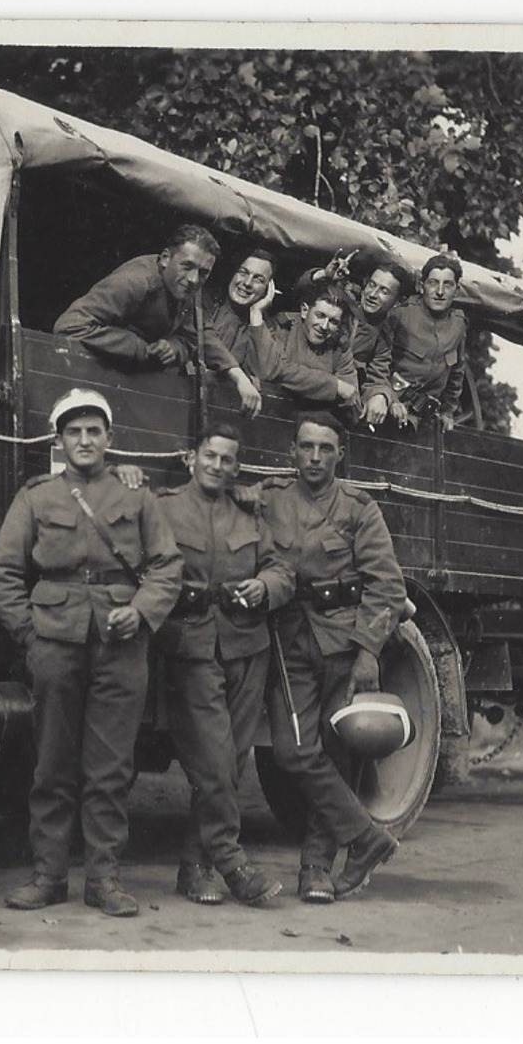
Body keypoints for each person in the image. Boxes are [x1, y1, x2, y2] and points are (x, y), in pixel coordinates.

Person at [0, 389, 183, 918]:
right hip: (55, 643)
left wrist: (140, 611)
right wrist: (30, 635)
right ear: (59, 440)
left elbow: (167, 565)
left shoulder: (137, 498)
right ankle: (49, 875)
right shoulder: (37, 497)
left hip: (121, 646)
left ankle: (104, 878)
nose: (85, 440)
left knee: (111, 766)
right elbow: (3, 573)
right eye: (74, 431)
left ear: (109, 439)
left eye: (94, 430)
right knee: (51, 763)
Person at [259, 410, 409, 903]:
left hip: (344, 642)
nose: (315, 457)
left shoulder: (359, 509)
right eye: (306, 447)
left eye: (325, 448)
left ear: (340, 454)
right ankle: (366, 839)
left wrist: (368, 653)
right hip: (290, 639)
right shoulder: (269, 500)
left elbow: (387, 585)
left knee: (338, 754)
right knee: (294, 752)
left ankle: (315, 871)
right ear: (292, 451)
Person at [153, 422, 293, 906]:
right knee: (214, 761)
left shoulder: (249, 514)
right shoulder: (164, 508)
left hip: (246, 646)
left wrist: (265, 587)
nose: (217, 466)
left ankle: (194, 867)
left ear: (237, 466)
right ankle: (233, 865)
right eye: (210, 456)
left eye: (227, 459)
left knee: (231, 763)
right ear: (192, 458)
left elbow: (280, 569)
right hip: (192, 646)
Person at [53, 225, 220, 372]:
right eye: (187, 266)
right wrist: (139, 348)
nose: (194, 279)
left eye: (204, 272)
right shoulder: (135, 282)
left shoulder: (184, 286)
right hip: (92, 372)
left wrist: (173, 347)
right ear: (165, 258)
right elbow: (69, 326)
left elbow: (190, 338)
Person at [292, 259, 409, 424]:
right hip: (299, 381)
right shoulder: (342, 300)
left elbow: (378, 375)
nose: (372, 294)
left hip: (332, 401)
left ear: (397, 302)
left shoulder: (383, 335)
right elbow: (301, 291)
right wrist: (323, 275)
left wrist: (382, 395)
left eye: (384, 291)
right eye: (371, 285)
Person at [386, 253, 468, 430]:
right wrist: (390, 399)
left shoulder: (458, 325)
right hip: (389, 409)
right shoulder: (401, 315)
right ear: (422, 286)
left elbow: (456, 374)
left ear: (457, 290)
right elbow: (377, 364)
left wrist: (447, 411)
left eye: (447, 285)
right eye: (433, 283)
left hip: (425, 420)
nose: (439, 292)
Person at [251, 286, 364, 411]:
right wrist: (332, 385)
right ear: (305, 311)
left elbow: (351, 398)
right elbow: (273, 369)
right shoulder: (282, 328)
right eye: (320, 315)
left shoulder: (339, 346)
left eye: (333, 322)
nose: (324, 326)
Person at [198, 249, 276, 417]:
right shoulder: (207, 301)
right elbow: (204, 339)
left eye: (258, 279)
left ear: (267, 289)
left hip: (226, 410)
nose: (247, 283)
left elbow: (263, 372)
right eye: (243, 272)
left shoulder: (263, 325)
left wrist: (256, 313)